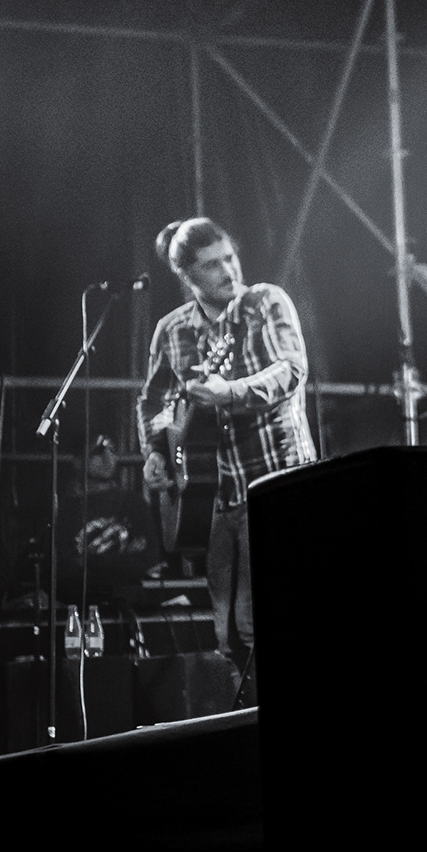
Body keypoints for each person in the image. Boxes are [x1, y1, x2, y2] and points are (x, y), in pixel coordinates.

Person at [138, 218, 316, 691]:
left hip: (276, 481)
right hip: (214, 497)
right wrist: (156, 452)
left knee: (263, 623)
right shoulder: (171, 330)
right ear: (186, 275)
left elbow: (290, 371)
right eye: (212, 265)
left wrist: (230, 392)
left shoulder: (265, 303)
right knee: (229, 636)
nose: (228, 270)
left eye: (230, 258)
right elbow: (154, 402)